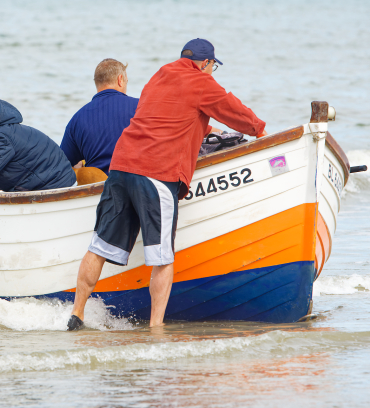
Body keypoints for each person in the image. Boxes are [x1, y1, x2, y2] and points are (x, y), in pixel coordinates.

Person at [67, 39, 268, 331]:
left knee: (98, 247)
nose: (212, 72)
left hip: (121, 168)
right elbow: (233, 110)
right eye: (212, 67)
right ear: (206, 63)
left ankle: (77, 314)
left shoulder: (158, 76)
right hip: (156, 172)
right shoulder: (200, 80)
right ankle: (156, 328)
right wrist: (260, 130)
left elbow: (165, 117)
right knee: (162, 257)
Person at [60, 59, 139, 174]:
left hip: (97, 187)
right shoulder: (141, 108)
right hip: (137, 182)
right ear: (120, 80)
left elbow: (62, 165)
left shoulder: (77, 119)